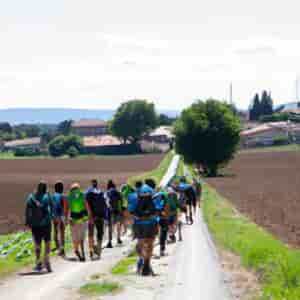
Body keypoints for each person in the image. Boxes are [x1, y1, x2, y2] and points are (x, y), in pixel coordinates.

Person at [128, 180, 159, 276]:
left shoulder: (133, 195)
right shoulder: (155, 194)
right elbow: (158, 210)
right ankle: (147, 263)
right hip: (152, 223)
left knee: (140, 244)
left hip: (138, 223)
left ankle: (142, 259)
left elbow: (130, 211)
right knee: (150, 244)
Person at [25, 181, 53, 272]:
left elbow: (27, 210)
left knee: (37, 243)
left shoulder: (30, 197)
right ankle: (47, 259)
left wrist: (28, 222)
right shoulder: (47, 196)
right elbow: (51, 207)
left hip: (35, 224)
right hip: (46, 223)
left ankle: (38, 262)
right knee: (48, 242)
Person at [66, 183, 92, 262]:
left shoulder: (73, 196)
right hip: (78, 219)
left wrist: (68, 218)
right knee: (78, 238)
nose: (76, 191)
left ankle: (81, 253)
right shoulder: (79, 195)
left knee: (80, 238)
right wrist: (89, 216)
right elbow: (87, 207)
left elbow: (86, 206)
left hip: (78, 219)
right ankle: (78, 251)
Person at [85, 179, 107, 260]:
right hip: (100, 216)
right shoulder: (101, 193)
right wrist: (105, 216)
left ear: (91, 184)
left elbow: (86, 204)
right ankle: (99, 252)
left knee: (91, 234)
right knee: (100, 234)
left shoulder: (88, 193)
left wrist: (89, 215)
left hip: (92, 217)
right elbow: (105, 205)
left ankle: (91, 251)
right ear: (97, 184)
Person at [106, 180, 123, 248]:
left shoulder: (107, 192)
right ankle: (118, 238)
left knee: (111, 227)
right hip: (118, 210)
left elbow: (106, 201)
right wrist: (120, 209)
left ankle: (110, 242)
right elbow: (121, 200)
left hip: (110, 211)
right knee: (118, 225)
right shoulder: (117, 191)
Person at [51, 181, 66, 257]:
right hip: (60, 216)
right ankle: (62, 249)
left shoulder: (52, 196)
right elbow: (64, 207)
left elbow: (51, 207)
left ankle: (57, 247)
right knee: (62, 233)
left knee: (55, 232)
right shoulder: (62, 196)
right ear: (61, 188)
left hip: (54, 216)